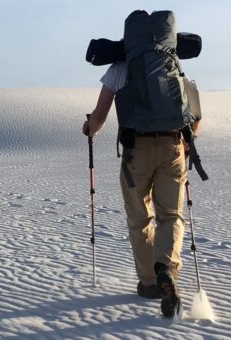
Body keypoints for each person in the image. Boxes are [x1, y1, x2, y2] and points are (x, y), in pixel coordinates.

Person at [82, 61, 201, 318]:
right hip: (173, 147)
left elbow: (99, 118)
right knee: (171, 215)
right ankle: (167, 269)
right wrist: (189, 144)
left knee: (139, 217)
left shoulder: (118, 70)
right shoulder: (172, 65)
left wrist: (89, 128)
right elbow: (196, 115)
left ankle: (149, 284)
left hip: (136, 152)